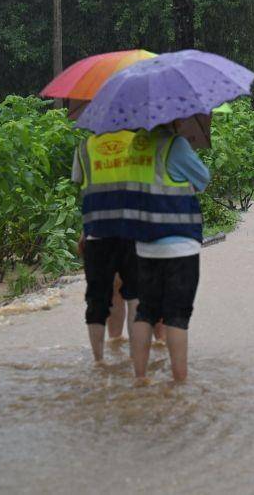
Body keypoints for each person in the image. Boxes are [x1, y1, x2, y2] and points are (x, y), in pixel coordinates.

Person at [129, 123, 210, 384]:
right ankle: (179, 382)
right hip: (179, 243)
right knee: (177, 314)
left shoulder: (136, 146)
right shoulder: (176, 145)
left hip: (145, 244)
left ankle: (140, 377)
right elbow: (203, 179)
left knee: (146, 312)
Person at [72, 135, 141, 362]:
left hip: (96, 232)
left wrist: (84, 229)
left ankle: (99, 361)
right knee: (134, 296)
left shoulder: (85, 146)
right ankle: (137, 361)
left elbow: (82, 185)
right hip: (132, 230)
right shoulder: (138, 142)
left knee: (97, 298)